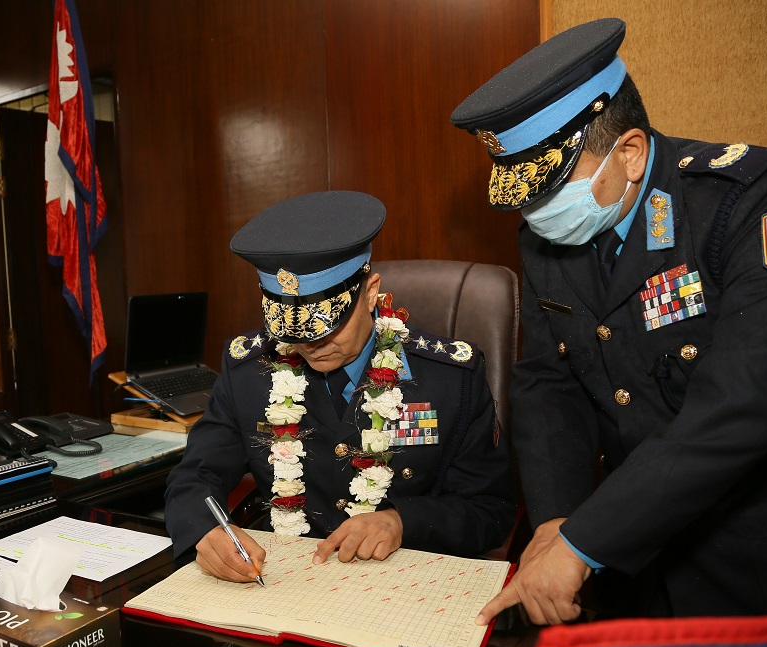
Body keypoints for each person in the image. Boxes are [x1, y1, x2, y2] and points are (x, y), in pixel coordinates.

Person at [450, 18, 767, 625]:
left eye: (549, 189)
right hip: (625, 562)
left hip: (750, 560)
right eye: (525, 196)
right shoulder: (547, 237)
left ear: (630, 153)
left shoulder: (754, 203)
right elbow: (549, 382)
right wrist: (557, 519)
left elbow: (740, 406)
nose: (536, 213)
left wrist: (583, 542)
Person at [163, 190, 515, 583]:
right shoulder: (247, 372)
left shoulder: (451, 377)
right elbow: (194, 476)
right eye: (293, 331)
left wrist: (403, 521)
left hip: (403, 585)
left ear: (370, 292)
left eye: (326, 326)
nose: (311, 345)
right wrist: (204, 530)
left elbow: (490, 511)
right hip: (284, 580)